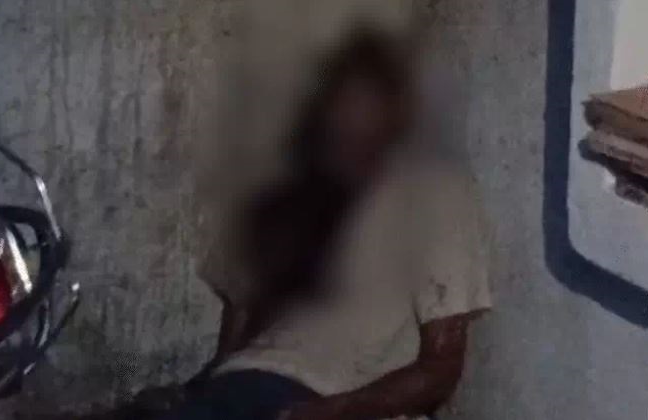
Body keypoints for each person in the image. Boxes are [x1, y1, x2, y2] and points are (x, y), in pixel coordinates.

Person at [168, 28, 491, 420]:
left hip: (329, 396)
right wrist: (202, 391)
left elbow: (440, 369)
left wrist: (325, 412)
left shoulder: (436, 189)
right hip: (242, 386)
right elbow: (240, 309)